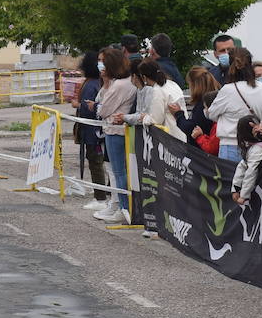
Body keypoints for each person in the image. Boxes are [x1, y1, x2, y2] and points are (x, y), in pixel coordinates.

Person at [94, 47, 136, 223]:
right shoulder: (122, 82)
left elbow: (102, 110)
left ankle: (124, 208)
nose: (100, 64)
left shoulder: (120, 85)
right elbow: (101, 101)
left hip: (116, 131)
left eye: (102, 61)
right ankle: (120, 206)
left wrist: (99, 108)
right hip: (117, 130)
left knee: (119, 172)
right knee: (120, 172)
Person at [207, 46, 262, 163]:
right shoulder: (261, 87)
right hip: (255, 144)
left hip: (231, 144)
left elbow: (211, 114)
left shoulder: (228, 90)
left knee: (231, 180)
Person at [114, 59, 185, 142]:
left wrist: (144, 117)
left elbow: (155, 120)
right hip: (180, 133)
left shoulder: (157, 91)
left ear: (144, 77)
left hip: (170, 136)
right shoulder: (172, 84)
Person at [73, 50, 109, 211]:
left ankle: (100, 197)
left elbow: (88, 109)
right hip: (97, 131)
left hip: (92, 132)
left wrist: (77, 105)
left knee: (95, 163)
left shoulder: (91, 84)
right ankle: (104, 194)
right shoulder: (98, 83)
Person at [168, 66, 220, 150]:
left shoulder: (202, 105)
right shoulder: (215, 98)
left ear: (195, 85)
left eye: (190, 85)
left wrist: (178, 114)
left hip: (201, 151)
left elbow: (192, 128)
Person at [230, 115, 262, 205]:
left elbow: (252, 171)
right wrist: (236, 188)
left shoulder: (258, 150)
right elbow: (243, 165)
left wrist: (243, 196)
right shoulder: (252, 148)